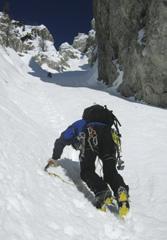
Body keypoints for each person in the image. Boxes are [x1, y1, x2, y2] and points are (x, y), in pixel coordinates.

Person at [46, 107, 129, 216]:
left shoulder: (82, 123)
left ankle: (103, 192)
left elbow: (62, 139)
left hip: (91, 136)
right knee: (110, 172)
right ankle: (120, 190)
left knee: (87, 171)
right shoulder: (106, 125)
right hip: (109, 138)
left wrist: (55, 157)